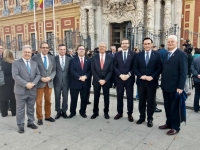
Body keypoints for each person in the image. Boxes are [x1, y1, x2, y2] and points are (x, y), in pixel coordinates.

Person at [159, 35, 187, 135]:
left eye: (172, 42)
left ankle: (175, 127)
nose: (170, 43)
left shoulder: (181, 54)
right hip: (165, 86)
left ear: (176, 43)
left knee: (175, 108)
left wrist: (180, 86)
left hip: (175, 87)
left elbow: (183, 72)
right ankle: (169, 123)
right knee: (167, 106)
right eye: (169, 41)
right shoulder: (167, 54)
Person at [134, 38, 162, 127]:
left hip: (152, 82)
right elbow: (135, 67)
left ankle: (150, 119)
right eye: (145, 44)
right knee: (141, 101)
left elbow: (160, 68)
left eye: (148, 43)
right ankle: (142, 117)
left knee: (151, 101)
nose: (147, 45)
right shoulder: (138, 55)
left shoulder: (157, 55)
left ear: (151, 44)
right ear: (143, 45)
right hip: (141, 82)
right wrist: (141, 76)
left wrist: (152, 77)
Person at [12, 45, 41, 133]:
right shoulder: (16, 63)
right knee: (20, 108)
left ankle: (30, 122)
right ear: (22, 53)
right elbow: (15, 76)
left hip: (32, 89)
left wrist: (33, 83)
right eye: (25, 52)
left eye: (29, 52)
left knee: (31, 107)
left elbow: (38, 75)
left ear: (31, 53)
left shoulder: (34, 63)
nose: (27, 54)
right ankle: (20, 124)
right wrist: (26, 84)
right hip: (20, 90)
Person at [32, 42, 56, 125]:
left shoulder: (51, 58)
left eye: (46, 47)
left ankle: (48, 116)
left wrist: (50, 77)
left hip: (49, 83)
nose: (45, 49)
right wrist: (40, 78)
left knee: (48, 101)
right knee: (39, 102)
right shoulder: (35, 58)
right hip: (39, 83)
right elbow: (33, 70)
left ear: (48, 49)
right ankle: (39, 118)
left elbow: (54, 70)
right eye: (43, 47)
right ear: (40, 48)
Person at [114, 38, 135, 122]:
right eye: (123, 43)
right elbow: (114, 66)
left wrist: (128, 74)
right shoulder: (117, 55)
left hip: (129, 80)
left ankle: (130, 114)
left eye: (126, 43)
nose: (124, 45)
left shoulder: (133, 54)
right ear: (121, 45)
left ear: (129, 44)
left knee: (130, 97)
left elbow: (134, 66)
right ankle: (120, 112)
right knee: (119, 96)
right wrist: (120, 75)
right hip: (119, 79)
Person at [91, 42, 113, 119]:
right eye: (100, 46)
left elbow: (111, 70)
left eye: (103, 46)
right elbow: (92, 70)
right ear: (98, 48)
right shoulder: (94, 57)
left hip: (106, 81)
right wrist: (99, 80)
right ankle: (95, 112)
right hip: (97, 81)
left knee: (106, 98)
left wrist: (105, 80)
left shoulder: (110, 58)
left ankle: (106, 112)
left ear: (106, 48)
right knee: (96, 97)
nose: (102, 48)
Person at [68, 45, 91, 118]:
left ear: (85, 51)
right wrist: (79, 77)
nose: (81, 50)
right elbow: (71, 70)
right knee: (73, 99)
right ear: (77, 50)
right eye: (80, 49)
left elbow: (91, 71)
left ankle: (83, 112)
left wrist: (85, 76)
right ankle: (72, 112)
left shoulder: (89, 60)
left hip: (85, 83)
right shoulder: (72, 60)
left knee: (84, 99)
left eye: (83, 49)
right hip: (75, 83)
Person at [53, 44, 71, 119]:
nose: (62, 51)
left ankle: (64, 111)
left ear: (65, 50)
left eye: (64, 49)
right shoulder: (54, 59)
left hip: (66, 81)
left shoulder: (69, 59)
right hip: (57, 81)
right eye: (61, 49)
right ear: (58, 50)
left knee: (65, 97)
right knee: (57, 97)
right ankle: (58, 111)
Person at [0, 50, 16, 117]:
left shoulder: (1, 62)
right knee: (13, 98)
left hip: (3, 81)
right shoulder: (14, 62)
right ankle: (14, 112)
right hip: (12, 81)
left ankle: (4, 113)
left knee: (3, 98)